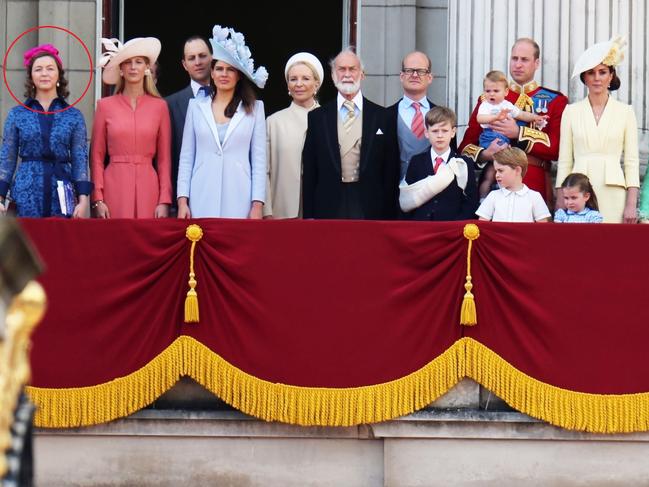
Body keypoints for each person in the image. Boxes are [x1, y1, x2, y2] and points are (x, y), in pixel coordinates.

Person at [460, 38, 568, 205]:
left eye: (524, 60)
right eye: (514, 58)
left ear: (537, 63)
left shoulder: (555, 100)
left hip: (534, 179)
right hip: (496, 179)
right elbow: (465, 147)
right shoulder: (489, 98)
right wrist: (485, 154)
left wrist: (518, 133)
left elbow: (556, 148)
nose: (518, 64)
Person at [177, 25, 268, 218]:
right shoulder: (196, 106)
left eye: (230, 70)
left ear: (238, 75)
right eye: (219, 69)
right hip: (201, 194)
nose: (224, 74)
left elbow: (259, 161)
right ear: (211, 73)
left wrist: (257, 204)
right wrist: (182, 200)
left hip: (240, 196)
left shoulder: (255, 108)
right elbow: (186, 158)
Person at [302, 47, 399, 220]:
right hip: (328, 205)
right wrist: (309, 215)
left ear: (362, 74)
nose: (347, 74)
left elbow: (390, 170)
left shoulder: (383, 116)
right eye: (341, 69)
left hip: (370, 206)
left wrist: (389, 215)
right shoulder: (317, 117)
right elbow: (310, 170)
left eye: (352, 69)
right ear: (333, 75)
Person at [0, 44, 91, 218]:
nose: (44, 74)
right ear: (31, 76)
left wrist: (83, 199)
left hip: (62, 188)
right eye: (38, 69)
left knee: (59, 242)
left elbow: (80, 160)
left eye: (50, 69)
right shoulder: (17, 114)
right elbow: (7, 159)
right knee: (28, 242)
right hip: (27, 190)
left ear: (58, 75)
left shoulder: (73, 115)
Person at [556, 36, 639, 224]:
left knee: (612, 246)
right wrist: (560, 198)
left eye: (602, 72)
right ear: (584, 78)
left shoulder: (626, 112)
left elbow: (632, 162)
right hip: (577, 190)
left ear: (611, 76)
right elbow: (565, 160)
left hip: (614, 191)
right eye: (591, 73)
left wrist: (631, 203)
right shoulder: (571, 111)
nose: (596, 78)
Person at [91, 37, 172, 219]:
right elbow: (96, 156)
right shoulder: (105, 106)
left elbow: (164, 159)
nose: (133, 67)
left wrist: (164, 199)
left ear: (147, 69)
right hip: (114, 186)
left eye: (138, 62)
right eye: (127, 63)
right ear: (120, 69)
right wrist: (98, 198)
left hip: (149, 187)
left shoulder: (160, 107)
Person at [264, 52, 323, 219]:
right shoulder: (273, 122)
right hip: (281, 210)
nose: (299, 84)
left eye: (305, 78)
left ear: (316, 83)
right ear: (287, 85)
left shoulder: (329, 118)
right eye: (293, 79)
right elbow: (264, 171)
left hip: (319, 210)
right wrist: (266, 211)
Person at [399, 106, 478, 221]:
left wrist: (456, 227)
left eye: (445, 131)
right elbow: (409, 199)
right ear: (426, 132)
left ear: (453, 132)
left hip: (452, 230)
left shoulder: (463, 163)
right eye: (435, 131)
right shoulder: (416, 162)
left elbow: (471, 202)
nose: (440, 135)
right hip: (421, 229)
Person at [385, 51, 451, 182]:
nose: (414, 75)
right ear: (401, 76)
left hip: (434, 193)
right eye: (409, 70)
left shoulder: (444, 116)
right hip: (394, 194)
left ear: (430, 77)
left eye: (421, 71)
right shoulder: (385, 116)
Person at [165, 36, 212, 207]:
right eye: (192, 58)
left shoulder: (230, 100)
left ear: (212, 57)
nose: (198, 62)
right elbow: (167, 157)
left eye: (202, 56)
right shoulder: (169, 104)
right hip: (184, 199)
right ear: (184, 65)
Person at [476, 147, 550, 222]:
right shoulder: (493, 196)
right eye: (496, 171)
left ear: (517, 170)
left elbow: (542, 227)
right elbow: (482, 224)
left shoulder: (534, 197)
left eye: (500, 170)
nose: (496, 175)